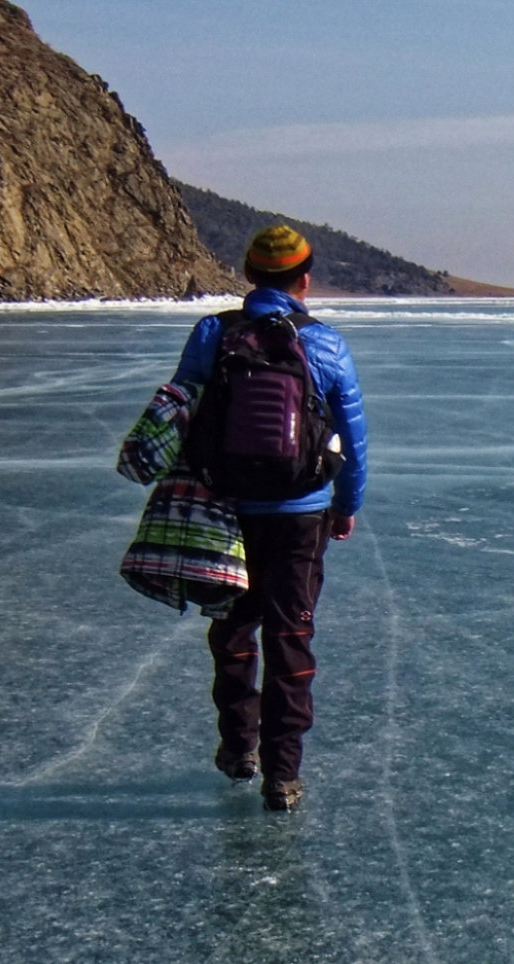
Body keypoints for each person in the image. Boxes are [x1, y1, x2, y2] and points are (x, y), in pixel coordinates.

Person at [180, 225, 368, 812]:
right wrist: (347, 504)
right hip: (300, 514)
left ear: (249, 276)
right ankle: (282, 776)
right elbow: (353, 438)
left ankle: (239, 750)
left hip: (224, 510)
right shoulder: (326, 343)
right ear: (305, 280)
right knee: (291, 634)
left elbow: (182, 413)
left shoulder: (214, 332)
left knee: (233, 629)